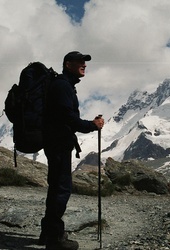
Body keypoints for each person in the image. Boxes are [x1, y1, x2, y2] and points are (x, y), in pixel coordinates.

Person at [39, 51, 104, 250]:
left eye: (84, 62)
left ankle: (48, 232)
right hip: (58, 143)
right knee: (61, 189)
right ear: (68, 64)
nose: (84, 64)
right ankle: (55, 238)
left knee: (56, 187)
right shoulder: (62, 86)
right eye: (79, 62)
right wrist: (93, 125)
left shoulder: (64, 85)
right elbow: (68, 118)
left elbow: (65, 117)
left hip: (58, 142)